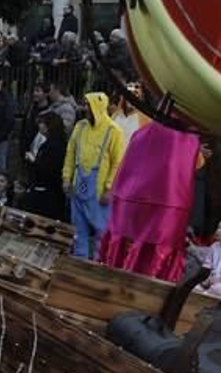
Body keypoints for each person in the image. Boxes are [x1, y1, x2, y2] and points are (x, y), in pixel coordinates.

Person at [97, 119, 201, 281]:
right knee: (152, 248)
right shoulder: (188, 140)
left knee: (128, 245)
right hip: (166, 202)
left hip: (141, 198)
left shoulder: (145, 132)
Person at [62, 92, 125, 258]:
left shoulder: (114, 132)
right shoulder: (80, 126)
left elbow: (118, 163)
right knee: (78, 229)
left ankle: (100, 263)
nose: (85, 109)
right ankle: (79, 260)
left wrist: (109, 189)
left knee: (102, 231)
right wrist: (66, 177)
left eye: (88, 105)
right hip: (78, 187)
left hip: (99, 192)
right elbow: (70, 153)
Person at [23, 110, 68, 220]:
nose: (40, 125)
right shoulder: (52, 143)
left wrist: (33, 160)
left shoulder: (55, 146)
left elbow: (49, 168)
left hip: (48, 191)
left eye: (42, 123)